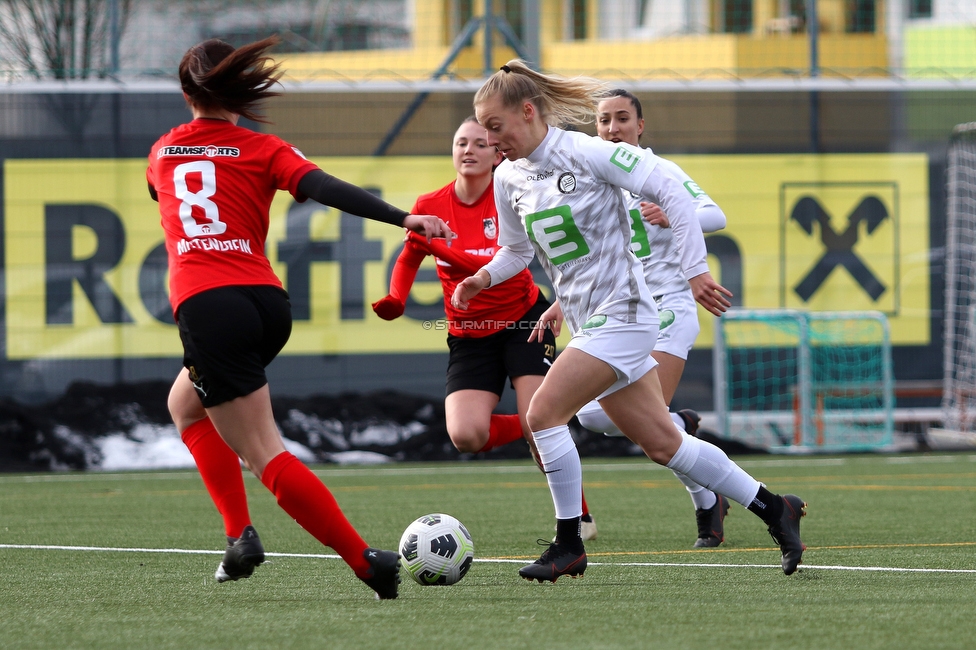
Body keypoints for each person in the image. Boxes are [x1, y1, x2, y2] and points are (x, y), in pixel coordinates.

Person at [452, 60, 807, 582]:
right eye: (483, 128)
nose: (488, 138)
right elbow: (514, 251)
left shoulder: (584, 151)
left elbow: (672, 190)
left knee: (543, 413)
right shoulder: (508, 177)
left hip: (627, 315)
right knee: (664, 444)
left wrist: (694, 271)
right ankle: (776, 508)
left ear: (528, 112)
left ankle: (568, 543)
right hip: (590, 321)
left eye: (495, 125)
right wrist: (482, 278)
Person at [147, 36, 453, 600]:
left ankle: (363, 560)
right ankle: (238, 535)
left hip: (208, 304)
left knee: (264, 451)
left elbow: (166, 195)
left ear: (186, 91)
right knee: (184, 405)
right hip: (266, 303)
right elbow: (324, 188)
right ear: (241, 90)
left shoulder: (163, 150)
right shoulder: (262, 147)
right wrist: (402, 217)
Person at [371, 117, 597, 541]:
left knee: (541, 421)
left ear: (497, 154)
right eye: (460, 142)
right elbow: (408, 256)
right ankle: (536, 425)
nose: (469, 149)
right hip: (469, 333)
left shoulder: (509, 194)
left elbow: (502, 265)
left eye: (480, 143)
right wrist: (396, 297)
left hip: (524, 320)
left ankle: (580, 517)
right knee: (466, 435)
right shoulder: (430, 203)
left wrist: (443, 249)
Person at [569, 88, 731, 548]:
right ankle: (680, 428)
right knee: (591, 415)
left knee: (648, 424)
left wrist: (672, 215)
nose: (613, 128)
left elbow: (714, 214)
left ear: (640, 126)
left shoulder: (659, 171)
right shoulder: (594, 178)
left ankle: (707, 505)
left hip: (668, 307)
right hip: (618, 311)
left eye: (622, 118)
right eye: (604, 120)